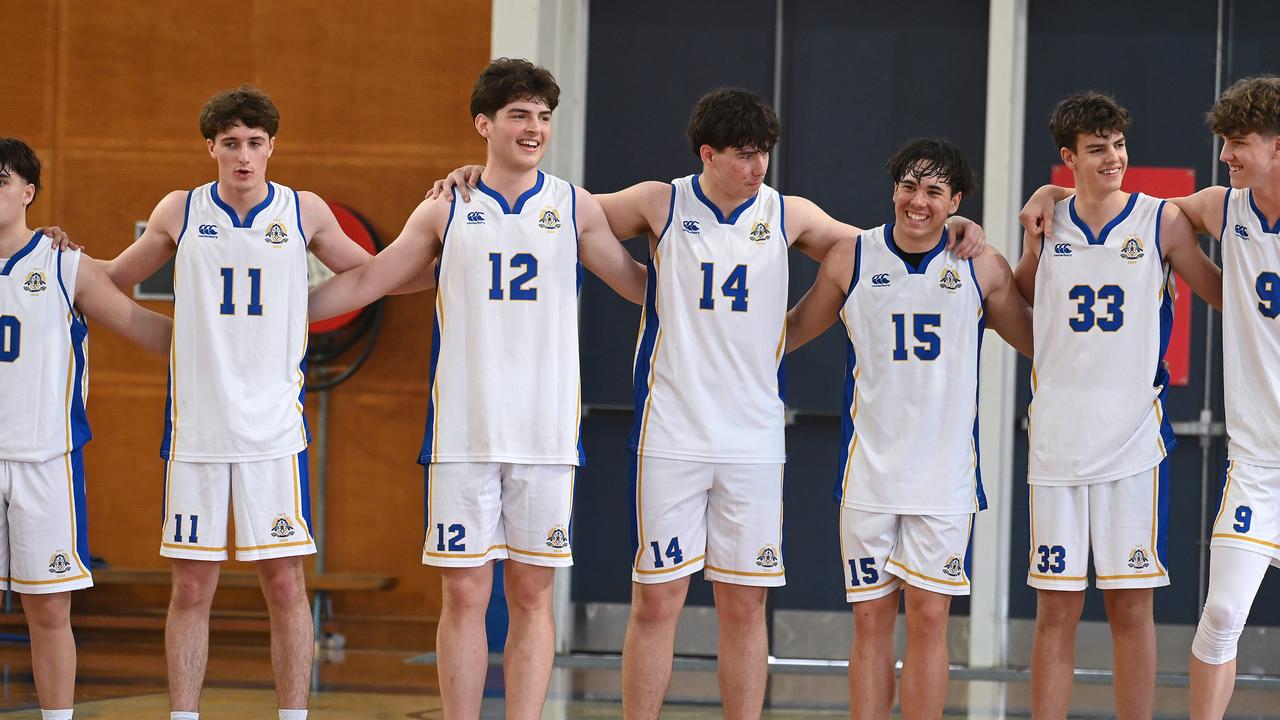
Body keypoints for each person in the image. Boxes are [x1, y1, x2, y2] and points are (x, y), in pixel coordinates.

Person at [429, 88, 988, 719]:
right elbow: (559, 210)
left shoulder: (791, 214)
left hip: (752, 439)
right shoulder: (658, 201)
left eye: (764, 155)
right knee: (658, 599)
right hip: (671, 431)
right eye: (744, 155)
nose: (756, 168)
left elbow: (884, 245)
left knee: (745, 604)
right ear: (708, 154)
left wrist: (954, 224)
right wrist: (472, 172)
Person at [307, 58, 646, 720]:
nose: (534, 129)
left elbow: (638, 284)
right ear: (483, 123)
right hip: (463, 432)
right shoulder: (446, 206)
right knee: (464, 594)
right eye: (519, 115)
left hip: (545, 435)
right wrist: (280, 312)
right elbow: (370, 281)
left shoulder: (573, 205)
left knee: (529, 593)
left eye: (544, 117)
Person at [65, 84, 410, 720]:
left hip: (274, 430)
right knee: (192, 585)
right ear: (212, 148)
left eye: (255, 143)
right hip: (197, 427)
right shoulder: (181, 209)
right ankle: (183, 715)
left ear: (273, 146)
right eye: (231, 144)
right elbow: (113, 276)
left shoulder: (303, 211)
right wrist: (60, 256)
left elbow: (369, 275)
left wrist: (441, 256)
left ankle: (293, 715)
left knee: (284, 583)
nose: (244, 155)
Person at [1020, 75, 1280, 720]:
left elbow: (1218, 287)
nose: (1225, 153)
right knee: (1209, 612)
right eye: (1097, 147)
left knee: (1132, 608)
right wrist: (1046, 193)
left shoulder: (1171, 216)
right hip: (1247, 461)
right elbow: (1017, 298)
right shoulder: (1218, 208)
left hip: (1133, 444)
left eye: (1238, 141)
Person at [785, 137, 1030, 720]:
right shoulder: (851, 258)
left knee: (929, 618)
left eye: (934, 190)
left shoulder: (981, 266)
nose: (918, 201)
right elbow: (791, 331)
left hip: (944, 479)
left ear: (956, 200)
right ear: (894, 188)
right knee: (870, 622)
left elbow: (1040, 340)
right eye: (909, 186)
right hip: (869, 472)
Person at [0, 137, 172, 720]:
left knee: (48, 610)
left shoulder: (63, 263)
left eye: (1, 180)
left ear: (29, 191)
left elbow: (148, 329)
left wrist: (240, 344)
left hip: (45, 460)